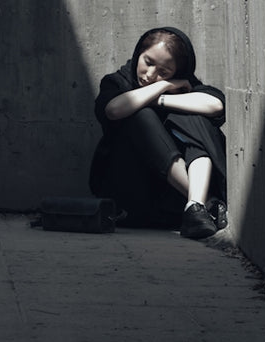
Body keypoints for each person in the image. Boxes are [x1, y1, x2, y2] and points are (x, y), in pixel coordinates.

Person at [88, 27, 228, 239]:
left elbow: (216, 105)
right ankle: (206, 203)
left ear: (177, 72)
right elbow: (113, 110)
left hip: (173, 204)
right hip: (130, 194)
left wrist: (161, 98)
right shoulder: (117, 82)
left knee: (196, 117)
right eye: (148, 62)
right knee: (139, 114)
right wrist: (163, 85)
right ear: (138, 54)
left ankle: (195, 205)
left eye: (164, 72)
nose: (150, 75)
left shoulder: (187, 86)